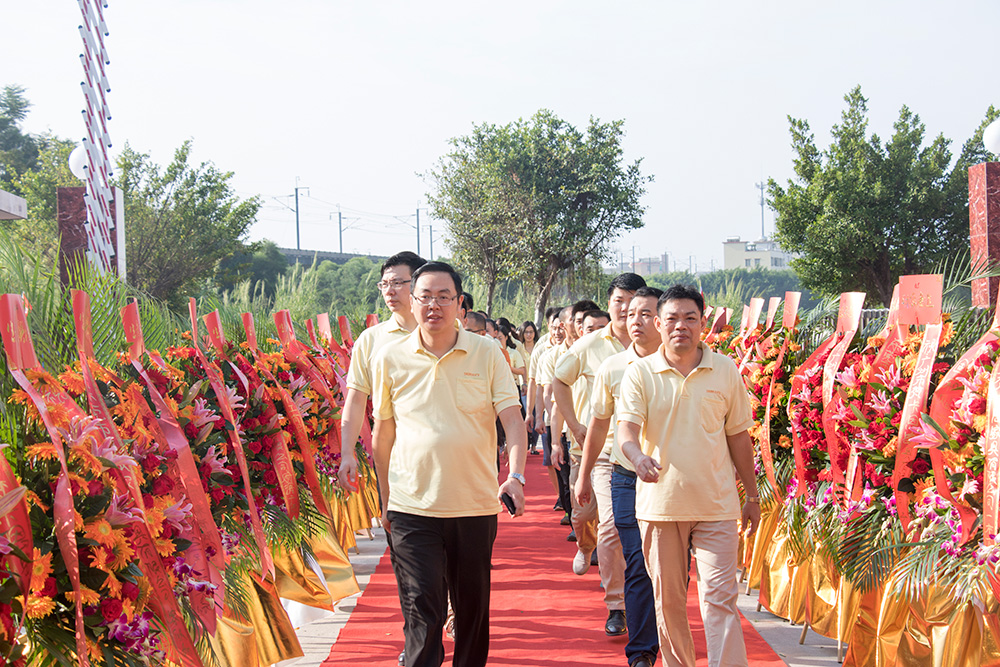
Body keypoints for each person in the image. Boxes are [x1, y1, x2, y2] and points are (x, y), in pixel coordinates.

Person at [372, 261, 528, 667]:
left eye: (444, 297)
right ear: (412, 301)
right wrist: (385, 500)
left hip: (473, 505)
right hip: (411, 507)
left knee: (472, 613)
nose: (434, 305)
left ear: (460, 304)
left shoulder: (487, 352)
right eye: (425, 296)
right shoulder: (390, 357)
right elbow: (382, 435)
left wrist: (515, 476)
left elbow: (513, 420)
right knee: (422, 611)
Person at [617, 285, 760, 667]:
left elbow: (738, 436)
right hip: (661, 506)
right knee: (669, 602)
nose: (681, 326)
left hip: (716, 504)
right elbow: (626, 429)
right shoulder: (640, 373)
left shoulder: (725, 370)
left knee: (720, 598)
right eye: (672, 319)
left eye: (690, 318)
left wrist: (752, 496)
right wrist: (637, 456)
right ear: (658, 324)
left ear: (702, 324)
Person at [553, 274, 645, 637]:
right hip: (605, 453)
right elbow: (559, 381)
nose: (626, 308)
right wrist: (574, 424)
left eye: (634, 301)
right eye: (620, 300)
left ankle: (649, 597)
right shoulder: (590, 345)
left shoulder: (658, 343)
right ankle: (617, 605)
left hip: (651, 454)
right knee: (609, 525)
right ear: (609, 303)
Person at [576, 286, 663, 667]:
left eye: (645, 314)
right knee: (635, 556)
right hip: (623, 473)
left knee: (670, 567)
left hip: (673, 480)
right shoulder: (613, 367)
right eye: (630, 314)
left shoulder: (684, 364)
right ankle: (640, 647)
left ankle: (666, 635)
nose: (635, 321)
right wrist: (582, 476)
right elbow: (598, 425)